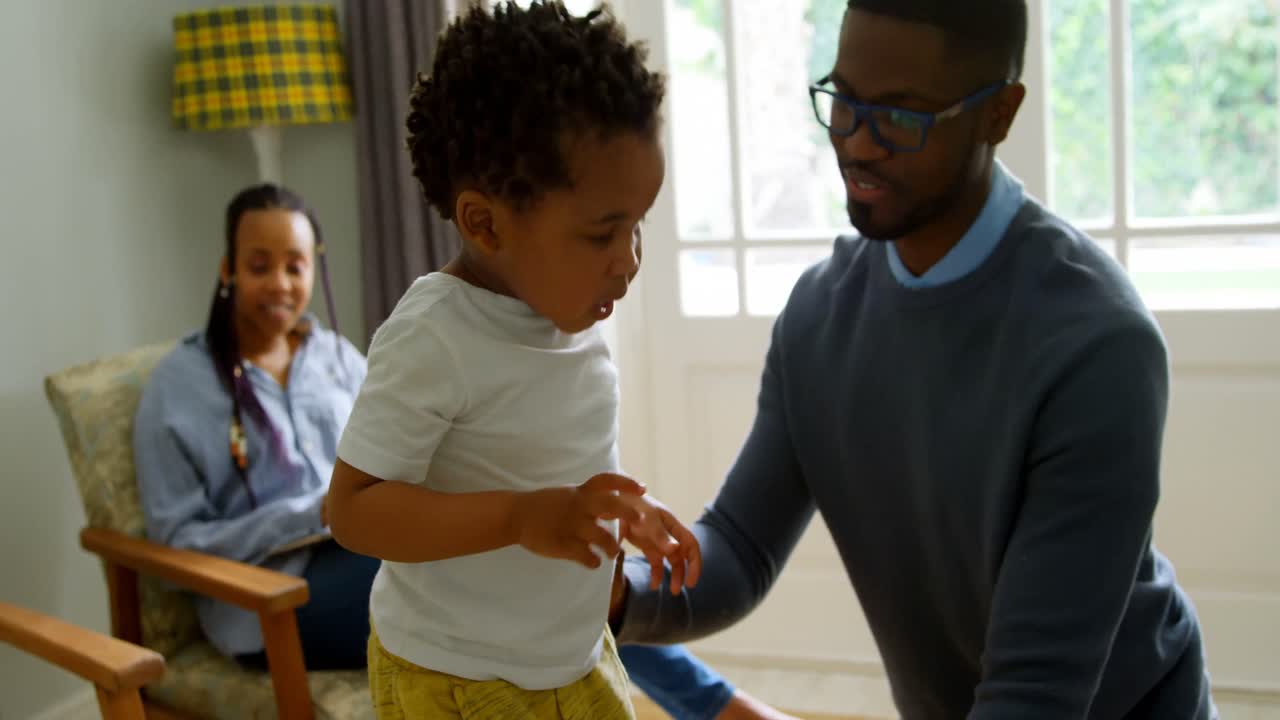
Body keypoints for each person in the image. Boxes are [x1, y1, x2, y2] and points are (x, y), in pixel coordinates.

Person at [609, 1, 1218, 719]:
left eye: (901, 117)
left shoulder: (1096, 344)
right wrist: (617, 591)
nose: (858, 146)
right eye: (844, 102)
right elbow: (739, 550)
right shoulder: (818, 318)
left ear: (1000, 114)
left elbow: (1033, 696)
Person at [133, 181, 798, 718]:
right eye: (259, 266)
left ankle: (710, 703)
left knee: (551, 568)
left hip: (360, 543)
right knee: (509, 575)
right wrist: (303, 518)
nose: (280, 282)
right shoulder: (180, 387)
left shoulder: (333, 357)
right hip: (271, 595)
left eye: (295, 265)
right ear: (226, 269)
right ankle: (716, 706)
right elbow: (176, 540)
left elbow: (416, 458)